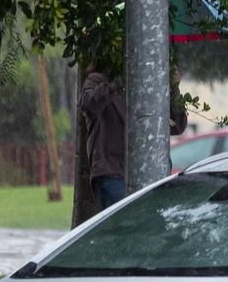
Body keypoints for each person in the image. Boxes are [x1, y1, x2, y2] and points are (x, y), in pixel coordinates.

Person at [79, 65, 188, 209]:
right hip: (113, 174)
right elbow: (87, 104)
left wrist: (173, 89)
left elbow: (177, 125)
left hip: (150, 176)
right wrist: (116, 84)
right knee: (123, 225)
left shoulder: (152, 86)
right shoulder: (98, 80)